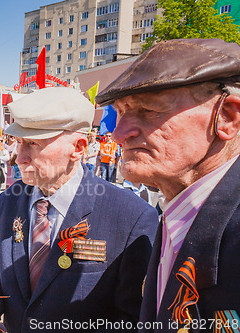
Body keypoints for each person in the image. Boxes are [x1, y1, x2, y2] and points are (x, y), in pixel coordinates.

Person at [0, 87, 159, 333]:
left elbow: (135, 319)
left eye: (32, 144)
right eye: (19, 144)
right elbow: (2, 269)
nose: (19, 159)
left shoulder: (130, 217)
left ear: (78, 148)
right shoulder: (9, 201)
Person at [95, 38, 240, 332]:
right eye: (121, 112)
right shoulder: (182, 204)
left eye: (149, 110)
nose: (119, 134)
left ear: (227, 117)